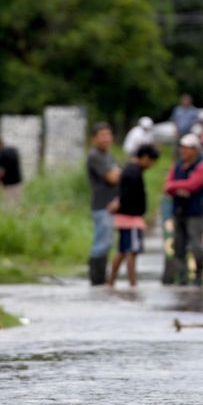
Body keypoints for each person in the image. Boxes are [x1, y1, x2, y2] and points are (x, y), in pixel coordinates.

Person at [163, 133, 203, 287]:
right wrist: (179, 187)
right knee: (179, 245)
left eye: (187, 148)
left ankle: (199, 275)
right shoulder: (178, 165)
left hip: (195, 212)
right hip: (178, 210)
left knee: (196, 245)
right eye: (182, 148)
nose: (183, 151)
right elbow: (167, 185)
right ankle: (182, 277)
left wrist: (176, 186)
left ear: (195, 150)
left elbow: (193, 185)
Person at [109, 144, 160, 288]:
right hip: (130, 219)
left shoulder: (130, 170)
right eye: (151, 161)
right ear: (145, 158)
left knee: (122, 251)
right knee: (131, 251)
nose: (151, 165)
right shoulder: (134, 172)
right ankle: (133, 284)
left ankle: (111, 281)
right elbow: (126, 195)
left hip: (125, 218)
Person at [86, 122, 121, 286]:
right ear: (94, 139)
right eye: (102, 135)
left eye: (108, 135)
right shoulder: (95, 156)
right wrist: (118, 172)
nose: (106, 139)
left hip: (111, 205)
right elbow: (113, 178)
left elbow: (119, 174)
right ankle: (97, 279)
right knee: (101, 243)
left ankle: (101, 278)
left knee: (107, 243)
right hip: (101, 206)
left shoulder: (109, 155)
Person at [0, 136, 24, 206]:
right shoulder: (12, 150)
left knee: (8, 207)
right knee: (16, 205)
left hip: (9, 186)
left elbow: (1, 172)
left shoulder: (2, 154)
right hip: (18, 183)